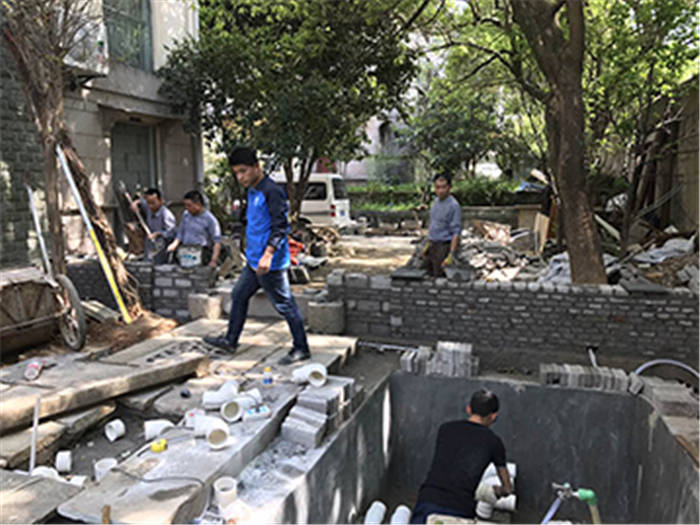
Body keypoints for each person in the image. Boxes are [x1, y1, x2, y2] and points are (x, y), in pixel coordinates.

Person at [204, 147, 311, 365]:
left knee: (285, 305)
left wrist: (268, 255)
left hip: (269, 263)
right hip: (254, 261)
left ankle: (301, 348)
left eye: (243, 171)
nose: (240, 177)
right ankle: (230, 340)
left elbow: (281, 227)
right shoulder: (252, 190)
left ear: (256, 167)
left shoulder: (272, 191)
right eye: (236, 173)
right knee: (239, 294)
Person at [411, 389, 513, 524]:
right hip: (460, 509)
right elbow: (507, 487)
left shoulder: (445, 429)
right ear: (493, 416)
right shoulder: (494, 442)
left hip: (428, 501)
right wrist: (500, 491)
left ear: (468, 409)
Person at [166, 190, 222, 268]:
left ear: (198, 205)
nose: (187, 208)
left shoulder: (210, 219)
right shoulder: (186, 215)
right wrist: (174, 244)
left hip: (202, 253)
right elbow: (180, 233)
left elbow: (217, 242)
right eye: (185, 205)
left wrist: (213, 260)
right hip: (185, 251)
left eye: (189, 205)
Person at [421, 173, 461, 277]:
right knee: (427, 276)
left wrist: (451, 254)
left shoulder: (454, 206)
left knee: (439, 278)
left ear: (449, 187)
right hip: (432, 245)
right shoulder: (435, 202)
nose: (440, 191)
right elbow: (434, 223)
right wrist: (428, 242)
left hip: (443, 247)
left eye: (443, 187)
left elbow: (456, 232)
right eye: (437, 187)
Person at [130, 188, 176, 262]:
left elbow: (172, 233)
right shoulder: (149, 208)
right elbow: (141, 201)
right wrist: (135, 203)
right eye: (148, 203)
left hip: (161, 248)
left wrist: (158, 234)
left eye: (153, 203)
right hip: (149, 246)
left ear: (161, 201)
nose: (150, 206)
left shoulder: (166, 215)